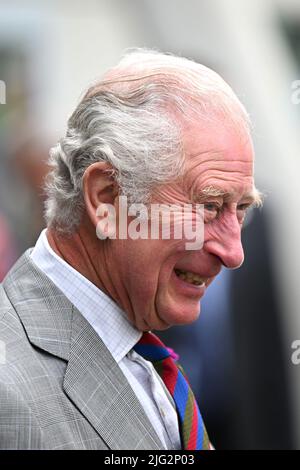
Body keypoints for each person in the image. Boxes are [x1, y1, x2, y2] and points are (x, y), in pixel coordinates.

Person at [0, 49, 262, 450]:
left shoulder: (143, 353)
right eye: (209, 206)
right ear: (107, 200)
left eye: (240, 209)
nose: (234, 253)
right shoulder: (9, 391)